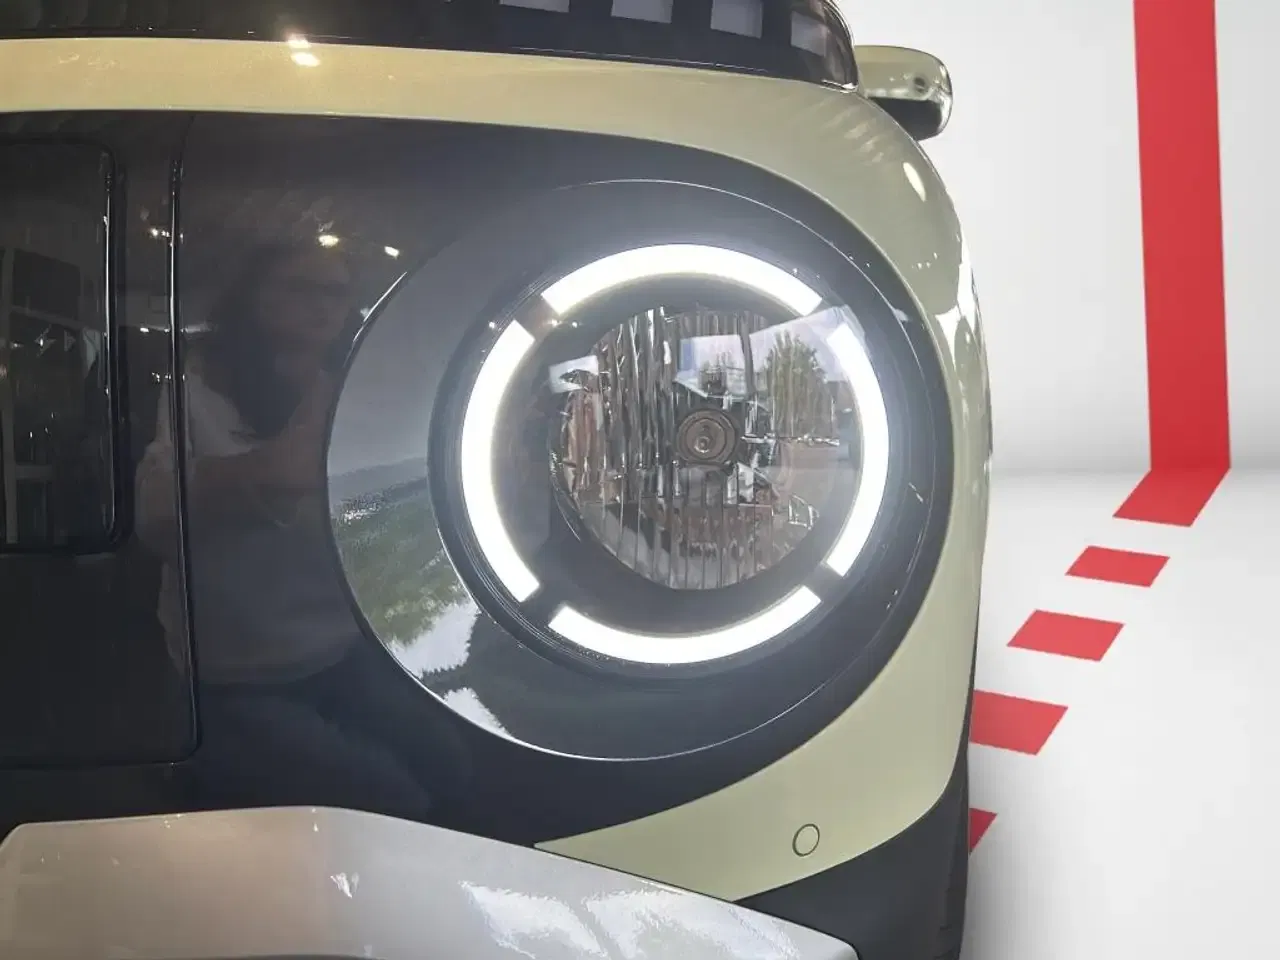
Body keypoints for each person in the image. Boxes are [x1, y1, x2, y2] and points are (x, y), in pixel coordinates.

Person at [136, 240, 459, 820]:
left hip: (342, 646)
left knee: (454, 764)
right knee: (392, 801)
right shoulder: (196, 389)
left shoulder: (358, 385)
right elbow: (154, 516)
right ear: (255, 296)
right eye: (300, 287)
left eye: (335, 292)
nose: (321, 306)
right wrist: (267, 469)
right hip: (231, 676)